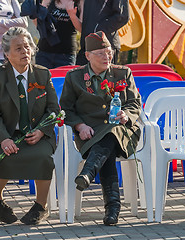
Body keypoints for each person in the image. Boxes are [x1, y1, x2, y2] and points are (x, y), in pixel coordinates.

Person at [59, 31, 141, 226]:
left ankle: (88, 172)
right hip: (89, 132)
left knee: (111, 133)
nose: (107, 57)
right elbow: (66, 109)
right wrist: (79, 126)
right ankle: (112, 209)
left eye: (109, 52)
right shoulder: (75, 77)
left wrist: (126, 115)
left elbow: (134, 103)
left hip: (123, 130)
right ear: (87, 55)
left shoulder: (122, 73)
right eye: (101, 53)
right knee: (107, 147)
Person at [0, 27, 60, 225]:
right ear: (7, 54)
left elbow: (54, 110)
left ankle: (41, 206)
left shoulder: (43, 75)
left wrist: (42, 130)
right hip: (8, 133)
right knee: (5, 157)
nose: (25, 52)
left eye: (27, 47)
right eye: (18, 48)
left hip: (37, 134)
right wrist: (3, 138)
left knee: (43, 157)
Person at [76, 0, 129, 65]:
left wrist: (98, 30)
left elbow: (122, 16)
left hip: (105, 47)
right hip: (86, 45)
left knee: (104, 74)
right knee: (81, 74)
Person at [34, 0, 82, 68]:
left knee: (64, 78)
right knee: (42, 78)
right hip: (44, 52)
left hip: (66, 54)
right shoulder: (48, 1)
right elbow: (38, 25)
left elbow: (82, 29)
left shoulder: (80, 2)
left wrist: (72, 15)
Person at [0, 0, 28, 66]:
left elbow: (24, 22)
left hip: (15, 53)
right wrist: (13, 23)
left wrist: (0, 22)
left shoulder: (12, 1)